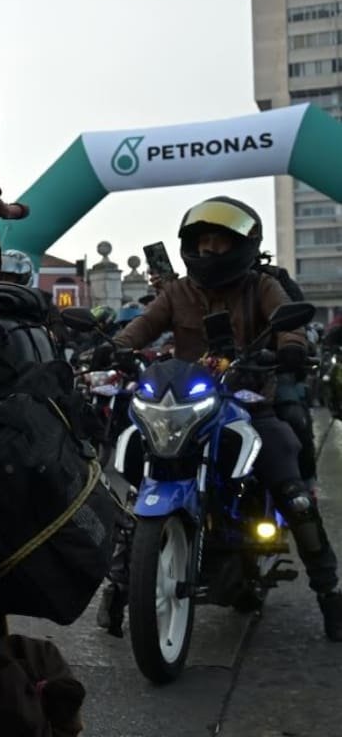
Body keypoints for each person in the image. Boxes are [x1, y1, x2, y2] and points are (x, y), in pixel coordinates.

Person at [105, 196, 342, 641]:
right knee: (141, 480)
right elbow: (141, 327)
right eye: (204, 242)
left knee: (290, 486)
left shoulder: (261, 286)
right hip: (187, 404)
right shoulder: (177, 292)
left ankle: (330, 592)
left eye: (220, 242)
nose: (211, 250)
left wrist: (291, 345)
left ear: (243, 246)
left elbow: (286, 321)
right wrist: (116, 345)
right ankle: (119, 587)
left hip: (249, 403)